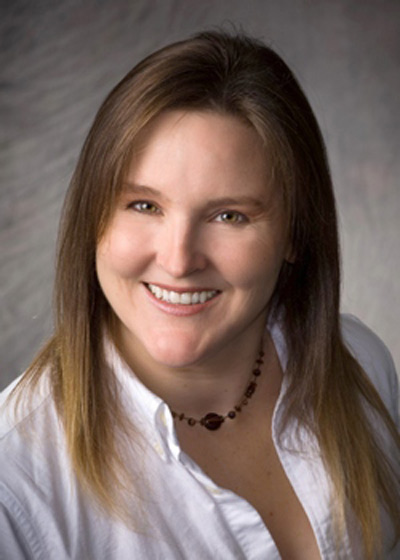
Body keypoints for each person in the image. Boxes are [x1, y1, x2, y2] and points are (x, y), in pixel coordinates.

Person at [0, 30, 399, 560]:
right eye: (144, 206)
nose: (179, 259)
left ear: (297, 235)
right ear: (92, 218)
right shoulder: (14, 479)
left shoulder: (362, 364)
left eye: (228, 215)